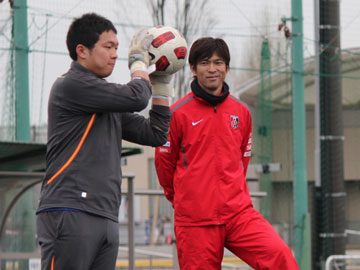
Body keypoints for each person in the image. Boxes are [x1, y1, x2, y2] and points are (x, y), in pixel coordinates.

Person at [36, 13, 174, 270]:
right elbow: (136, 97)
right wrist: (139, 65)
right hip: (71, 209)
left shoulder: (105, 98)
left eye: (117, 49)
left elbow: (155, 133)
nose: (114, 54)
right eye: (108, 47)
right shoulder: (70, 85)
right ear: (82, 51)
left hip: (105, 213)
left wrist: (162, 86)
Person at [155, 37, 299, 270]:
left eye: (218, 62)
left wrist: (229, 195)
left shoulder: (241, 112)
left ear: (227, 68)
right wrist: (188, 201)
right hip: (196, 221)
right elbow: (164, 166)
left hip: (238, 214)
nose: (212, 69)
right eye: (204, 63)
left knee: (281, 257)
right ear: (193, 68)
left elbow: (242, 161)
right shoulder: (177, 114)